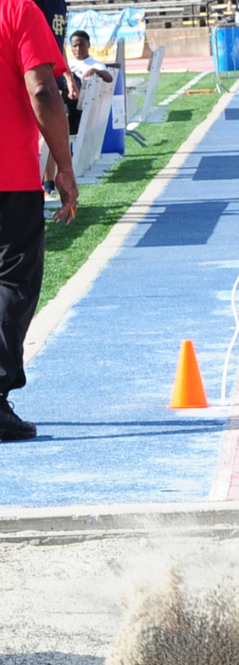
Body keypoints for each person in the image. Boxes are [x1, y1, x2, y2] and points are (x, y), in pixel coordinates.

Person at [0, 0, 79, 441]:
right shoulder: (18, 10)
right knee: (13, 283)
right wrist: (63, 167)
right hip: (8, 176)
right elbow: (43, 90)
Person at [32, 0, 76, 195]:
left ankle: (47, 183)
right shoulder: (34, 4)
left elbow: (59, 43)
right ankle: (39, 180)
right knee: (48, 130)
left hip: (52, 72)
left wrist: (67, 75)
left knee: (55, 128)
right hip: (35, 73)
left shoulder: (60, 4)